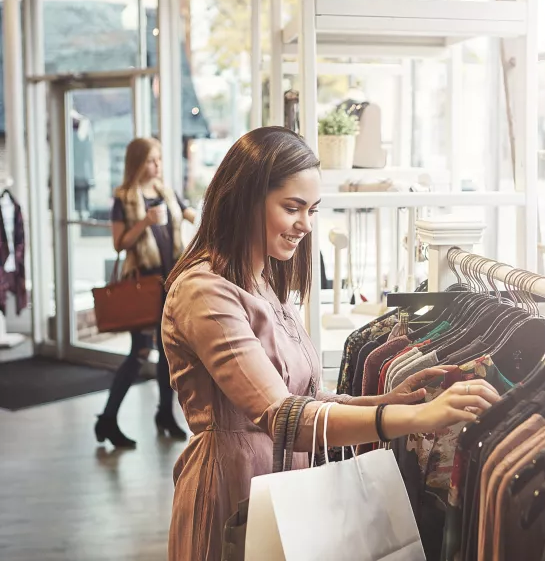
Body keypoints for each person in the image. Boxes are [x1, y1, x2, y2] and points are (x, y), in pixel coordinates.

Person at [162, 127, 500, 560]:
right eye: (292, 208)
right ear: (245, 199)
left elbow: (305, 397)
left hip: (282, 483)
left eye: (312, 210)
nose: (305, 225)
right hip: (232, 488)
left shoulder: (265, 281)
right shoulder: (203, 291)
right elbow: (284, 417)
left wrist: (384, 400)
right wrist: (412, 417)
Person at [94, 137, 197, 448]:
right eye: (151, 160)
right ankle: (107, 419)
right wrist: (145, 222)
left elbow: (189, 214)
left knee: (168, 351)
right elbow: (120, 243)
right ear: (137, 163)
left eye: (159, 160)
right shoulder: (123, 198)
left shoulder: (166, 192)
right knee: (139, 351)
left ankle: (165, 413)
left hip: (171, 282)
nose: (157, 166)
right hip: (144, 284)